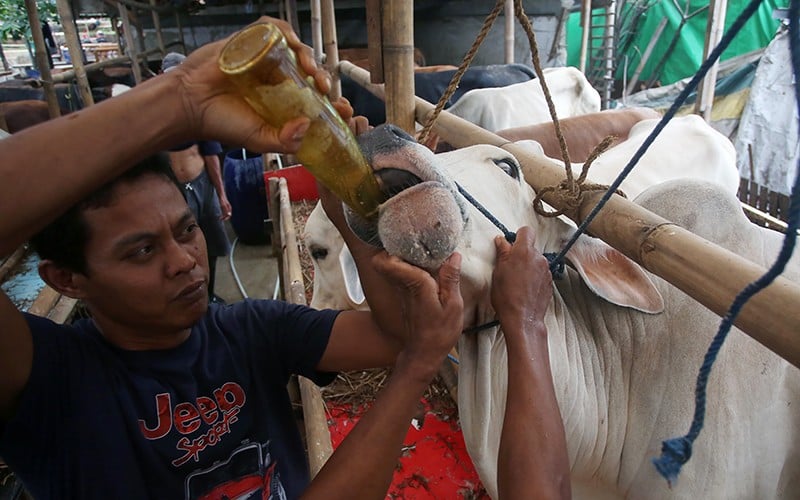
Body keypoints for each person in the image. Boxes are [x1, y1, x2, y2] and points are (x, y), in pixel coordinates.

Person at [0, 17, 568, 499]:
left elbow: (393, 335)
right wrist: (181, 100)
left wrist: (350, 209)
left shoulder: (246, 330)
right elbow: (408, 352)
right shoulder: (47, 382)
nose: (184, 262)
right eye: (142, 251)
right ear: (66, 279)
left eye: (186, 230)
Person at [161, 51, 233, 304]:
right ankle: (189, 297)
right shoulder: (156, 116)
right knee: (181, 244)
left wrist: (222, 195)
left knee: (211, 240)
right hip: (176, 190)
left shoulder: (198, 109)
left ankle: (209, 294)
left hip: (202, 183)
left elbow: (212, 154)